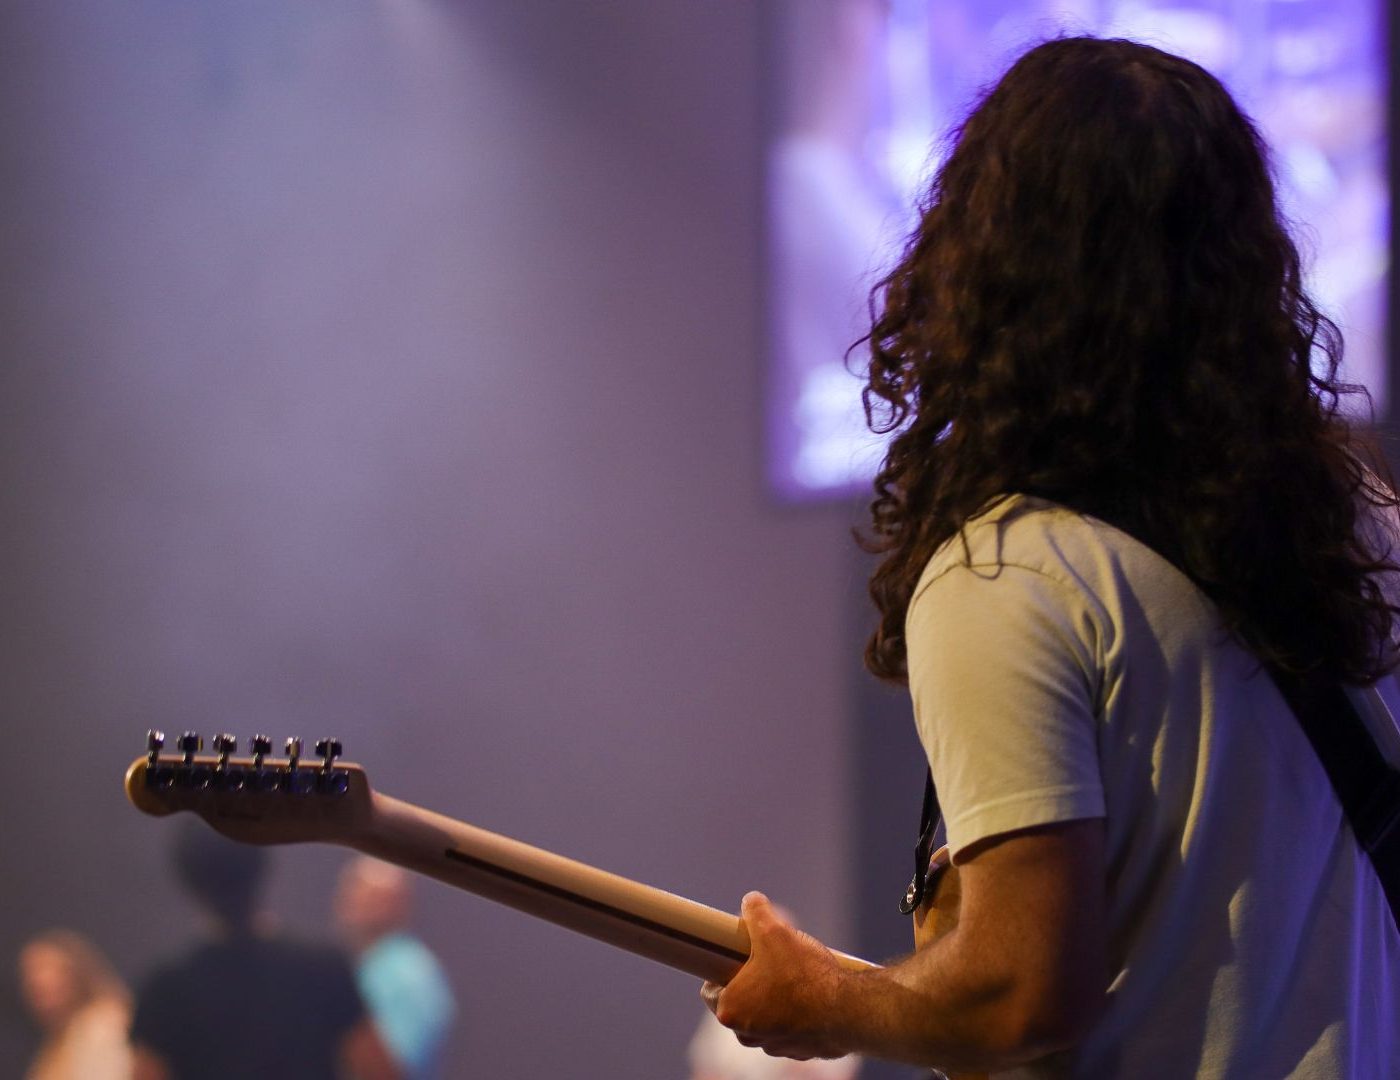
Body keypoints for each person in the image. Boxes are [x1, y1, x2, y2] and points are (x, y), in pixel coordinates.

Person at [703, 35, 1400, 1077]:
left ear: (979, 262)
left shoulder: (1010, 577)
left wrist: (825, 1000)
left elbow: (1021, 991)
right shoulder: (1358, 522)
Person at [129, 822, 399, 1080]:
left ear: (189, 880)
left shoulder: (166, 990)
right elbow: (381, 1072)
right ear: (262, 863)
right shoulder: (323, 968)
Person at [334, 857, 456, 1080]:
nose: (360, 902)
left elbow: (391, 1067)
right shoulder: (367, 964)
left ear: (401, 904)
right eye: (356, 889)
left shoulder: (411, 975)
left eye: (375, 897)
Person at [18, 929, 132, 1080]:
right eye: (33, 983)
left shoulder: (101, 1027)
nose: (41, 982)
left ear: (77, 975)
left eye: (51, 974)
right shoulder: (60, 1037)